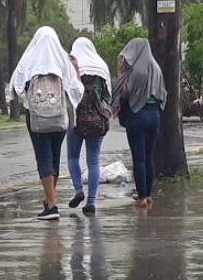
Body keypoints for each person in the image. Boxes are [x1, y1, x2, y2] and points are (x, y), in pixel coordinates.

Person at [10, 26, 83, 221]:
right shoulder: (62, 59)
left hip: (37, 118)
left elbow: (16, 84)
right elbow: (77, 88)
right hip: (59, 118)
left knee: (43, 157)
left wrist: (25, 95)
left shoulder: (29, 58)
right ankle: (49, 199)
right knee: (54, 157)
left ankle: (52, 205)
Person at [111, 38, 166, 209]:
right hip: (154, 115)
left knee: (139, 158)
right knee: (149, 156)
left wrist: (120, 73)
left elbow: (124, 92)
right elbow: (163, 93)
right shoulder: (156, 68)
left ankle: (141, 197)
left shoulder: (136, 71)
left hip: (138, 115)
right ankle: (148, 195)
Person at [66, 37, 112, 215]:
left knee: (72, 157)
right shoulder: (101, 67)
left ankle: (79, 190)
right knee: (93, 162)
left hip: (76, 119)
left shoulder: (71, 65)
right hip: (97, 120)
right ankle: (91, 201)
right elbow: (108, 95)